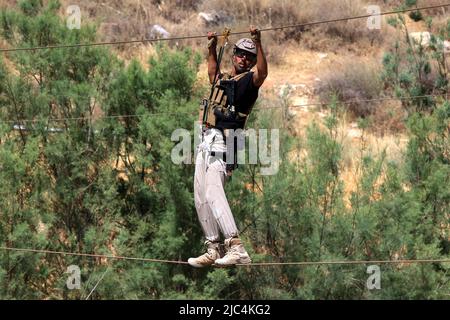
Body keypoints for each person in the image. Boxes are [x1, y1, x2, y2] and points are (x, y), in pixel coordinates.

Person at [188, 26, 268, 267]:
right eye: (241, 54)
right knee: (200, 196)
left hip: (225, 141)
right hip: (205, 140)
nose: (244, 59)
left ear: (253, 61)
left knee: (214, 192)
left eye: (250, 57)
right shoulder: (223, 80)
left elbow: (262, 74)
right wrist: (211, 47)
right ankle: (213, 247)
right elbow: (212, 73)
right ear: (233, 55)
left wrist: (259, 43)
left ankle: (237, 247)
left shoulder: (249, 83)